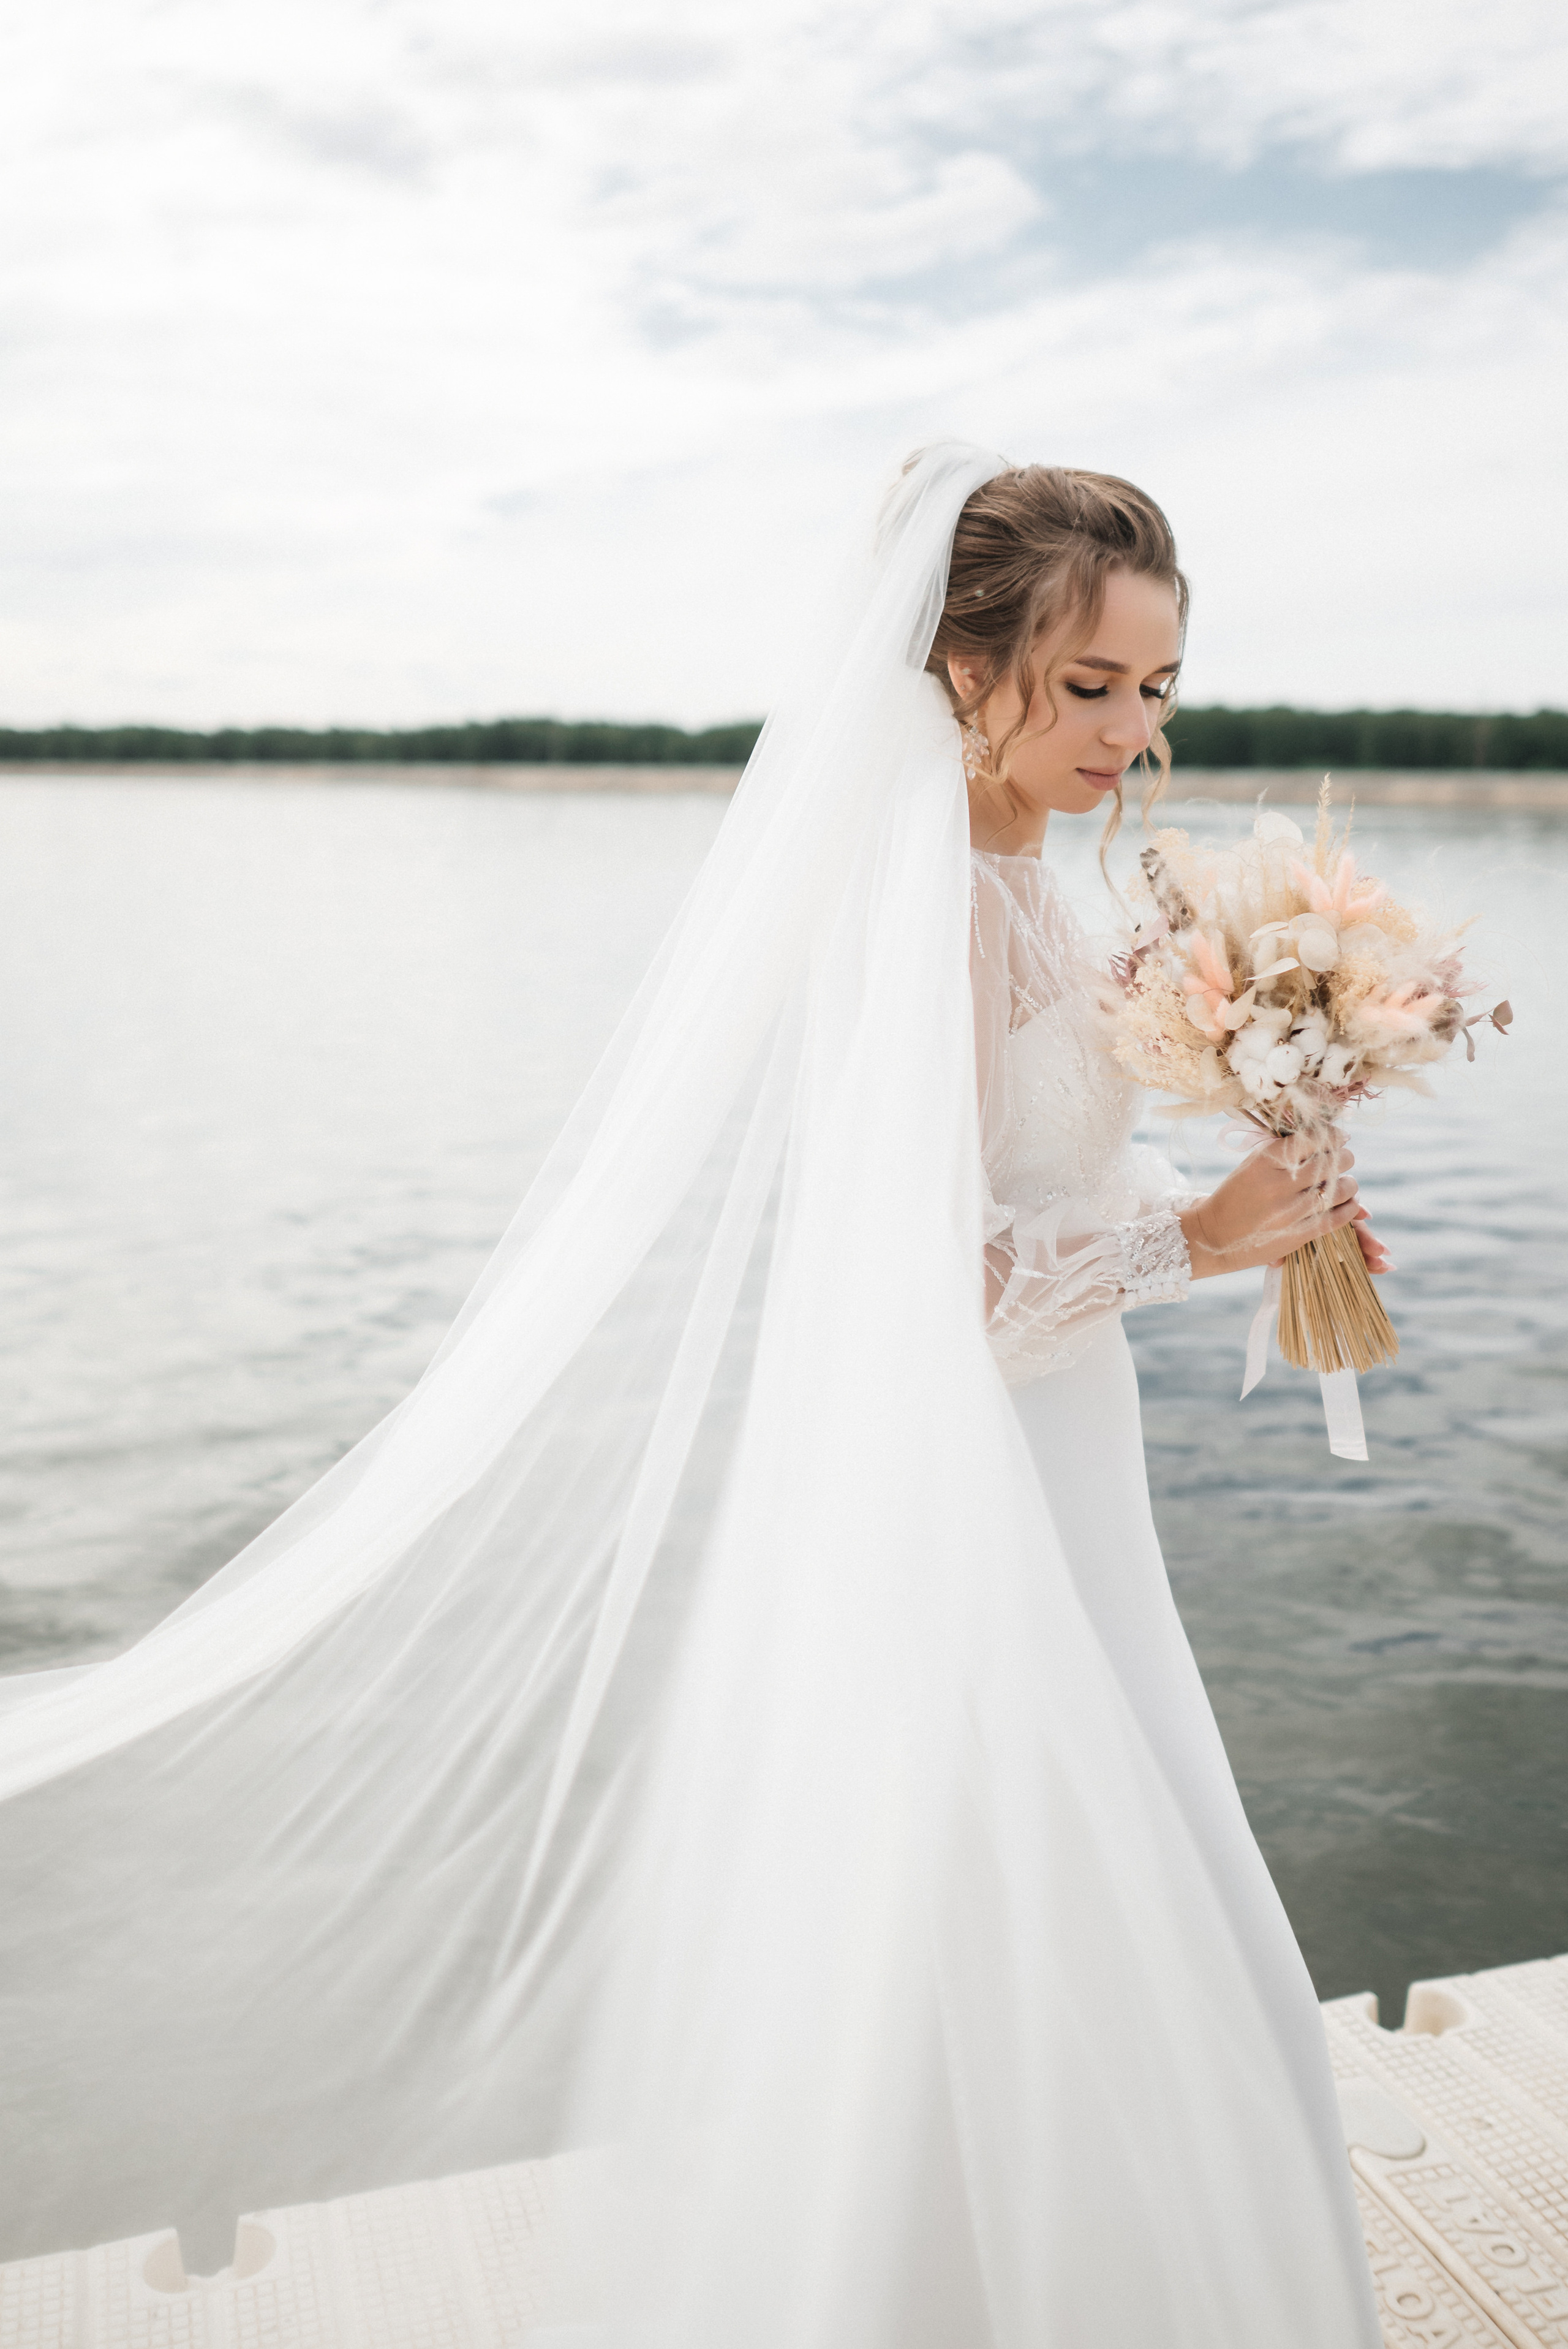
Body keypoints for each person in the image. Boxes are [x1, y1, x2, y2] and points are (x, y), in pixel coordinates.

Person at [0, 443, 1381, 2344]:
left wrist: (1251, 1185)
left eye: (1156, 687)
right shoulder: (932, 920)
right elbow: (934, 1284)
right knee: (1053, 1891)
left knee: (1077, 1890)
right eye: (1086, 685)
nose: (1131, 732)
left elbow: (1038, 1191)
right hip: (967, 1470)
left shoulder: (1059, 900)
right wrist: (1206, 1242)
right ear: (953, 667)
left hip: (1072, 1457)